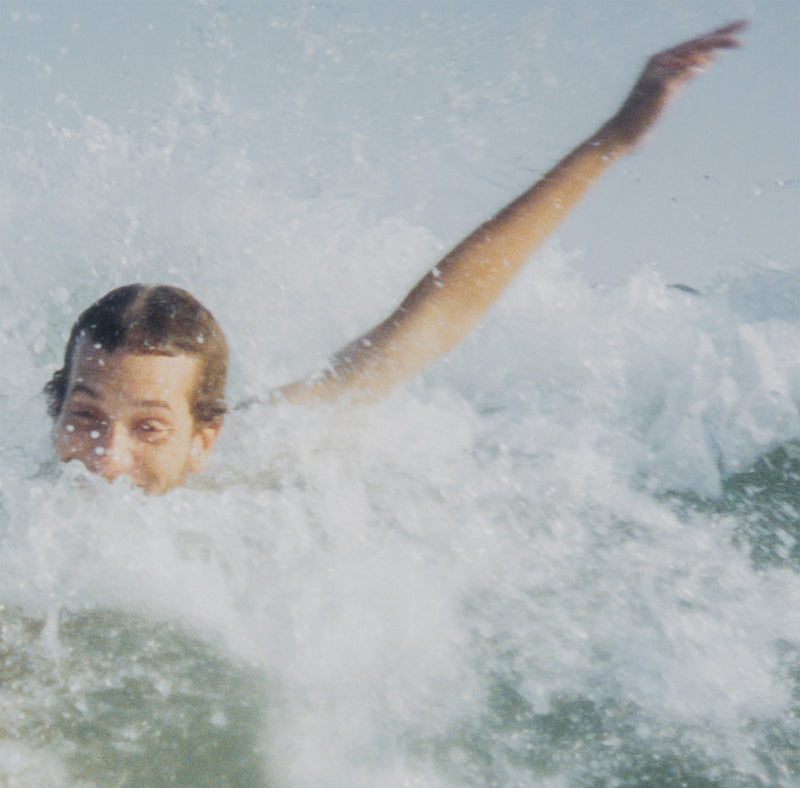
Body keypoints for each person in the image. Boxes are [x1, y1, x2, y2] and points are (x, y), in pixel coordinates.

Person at [46, 21, 746, 494]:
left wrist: (613, 139)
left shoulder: (248, 462)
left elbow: (435, 318)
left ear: (205, 440)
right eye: (84, 418)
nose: (108, 459)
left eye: (149, 429)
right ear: (54, 415)